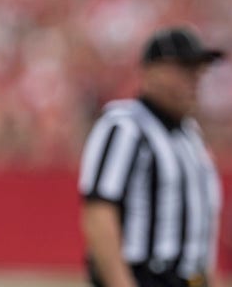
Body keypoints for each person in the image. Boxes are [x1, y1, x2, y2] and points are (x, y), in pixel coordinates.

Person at [78, 26, 223, 287]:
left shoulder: (190, 134)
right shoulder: (124, 126)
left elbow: (200, 229)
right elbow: (99, 212)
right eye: (184, 68)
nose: (195, 79)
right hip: (147, 277)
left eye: (197, 70)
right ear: (151, 72)